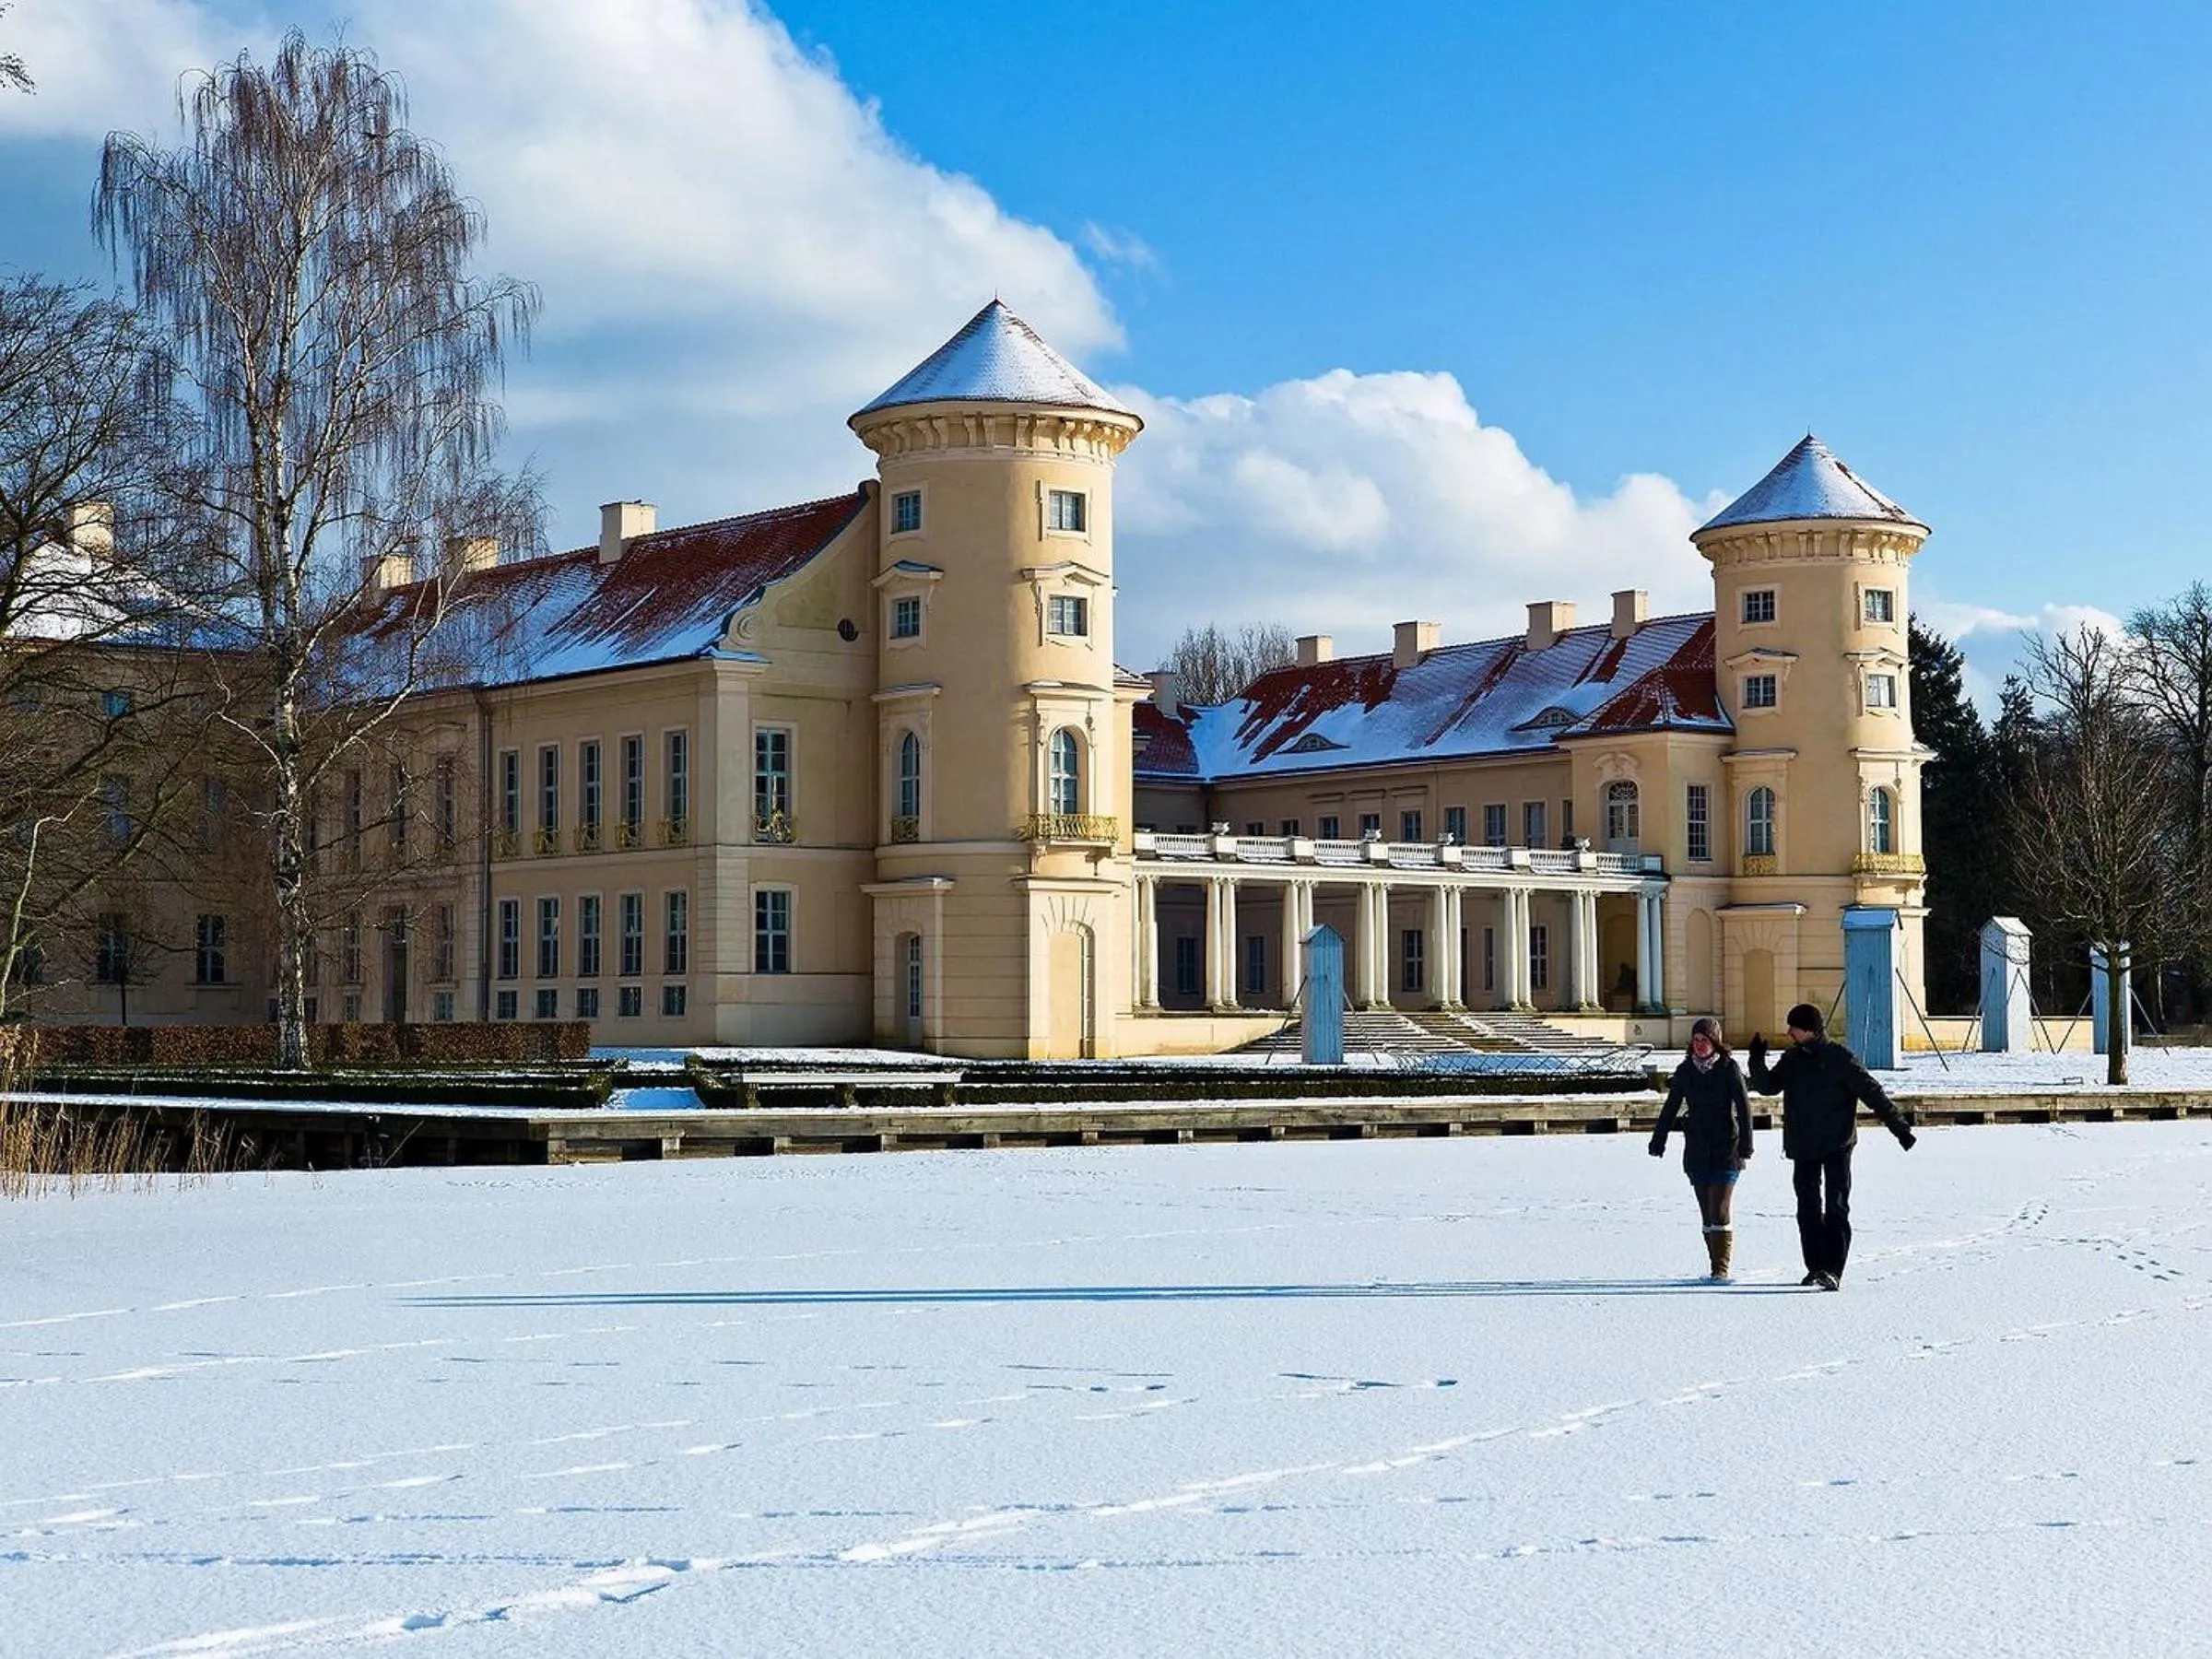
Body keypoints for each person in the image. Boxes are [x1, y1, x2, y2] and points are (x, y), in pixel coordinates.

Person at [1747, 1003, 1917, 1291]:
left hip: (1837, 1144)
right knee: (1808, 1209)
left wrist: (1899, 1128)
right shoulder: (1792, 1060)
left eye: (1794, 1028)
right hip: (1803, 1145)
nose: (1788, 1032)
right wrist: (1756, 1059)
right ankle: (1815, 1267)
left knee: (1837, 1207)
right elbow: (1768, 1087)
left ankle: (1833, 1270)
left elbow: (1872, 1092)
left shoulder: (1839, 1058)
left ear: (1809, 1030)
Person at [1649, 1016, 1754, 1280]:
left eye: (1704, 1040)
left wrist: (1746, 1146)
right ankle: (1714, 1264)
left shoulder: (1730, 1069)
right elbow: (1671, 1106)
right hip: (1696, 1149)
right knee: (1707, 1213)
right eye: (1696, 1040)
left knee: (1719, 1209)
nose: (1699, 1045)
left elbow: (1744, 1108)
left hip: (1726, 1149)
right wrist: (1658, 1140)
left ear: (1715, 1042)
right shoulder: (1685, 1071)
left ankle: (1721, 1270)